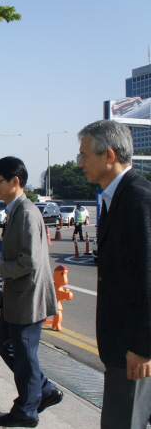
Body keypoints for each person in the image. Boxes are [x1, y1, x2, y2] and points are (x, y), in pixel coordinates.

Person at [77, 120, 151, 429]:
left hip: (132, 349)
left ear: (109, 156)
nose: (79, 163)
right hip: (120, 344)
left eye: (84, 155)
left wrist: (143, 347)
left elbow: (148, 276)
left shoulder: (138, 198)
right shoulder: (114, 196)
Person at [0, 156, 61, 428]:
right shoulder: (15, 209)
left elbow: (30, 260)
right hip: (16, 295)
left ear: (15, 181)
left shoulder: (27, 212)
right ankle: (43, 390)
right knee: (6, 345)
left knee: (24, 354)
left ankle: (27, 411)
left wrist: (2, 267)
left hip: (28, 296)